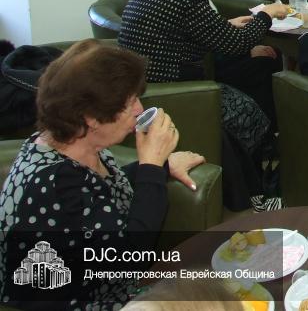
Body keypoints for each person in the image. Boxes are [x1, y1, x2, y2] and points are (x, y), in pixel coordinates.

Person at [0, 40, 205, 310]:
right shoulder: (54, 183)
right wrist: (152, 167)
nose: (139, 110)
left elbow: (99, 191)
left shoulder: (73, 144)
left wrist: (158, 166)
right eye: (129, 102)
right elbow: (130, 256)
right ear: (91, 118)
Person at [119, 0, 289, 211]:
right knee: (250, 108)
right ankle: (259, 184)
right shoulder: (188, 2)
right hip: (183, 95)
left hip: (144, 93)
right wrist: (266, 14)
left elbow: (184, 34)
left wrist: (226, 25)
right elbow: (236, 44)